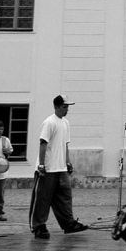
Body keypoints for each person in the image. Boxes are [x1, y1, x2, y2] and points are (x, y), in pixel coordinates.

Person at [29, 94, 88, 239]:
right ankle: (38, 226)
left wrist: (67, 162)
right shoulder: (49, 122)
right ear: (56, 107)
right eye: (64, 106)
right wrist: (41, 165)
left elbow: (65, 144)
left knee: (64, 197)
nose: (66, 109)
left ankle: (68, 223)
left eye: (67, 107)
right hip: (48, 168)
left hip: (60, 168)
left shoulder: (66, 123)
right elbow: (43, 143)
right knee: (42, 198)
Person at [0, 120, 14, 221]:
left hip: (1, 172)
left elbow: (10, 150)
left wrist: (8, 151)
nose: (0, 131)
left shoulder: (5, 140)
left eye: (1, 129)